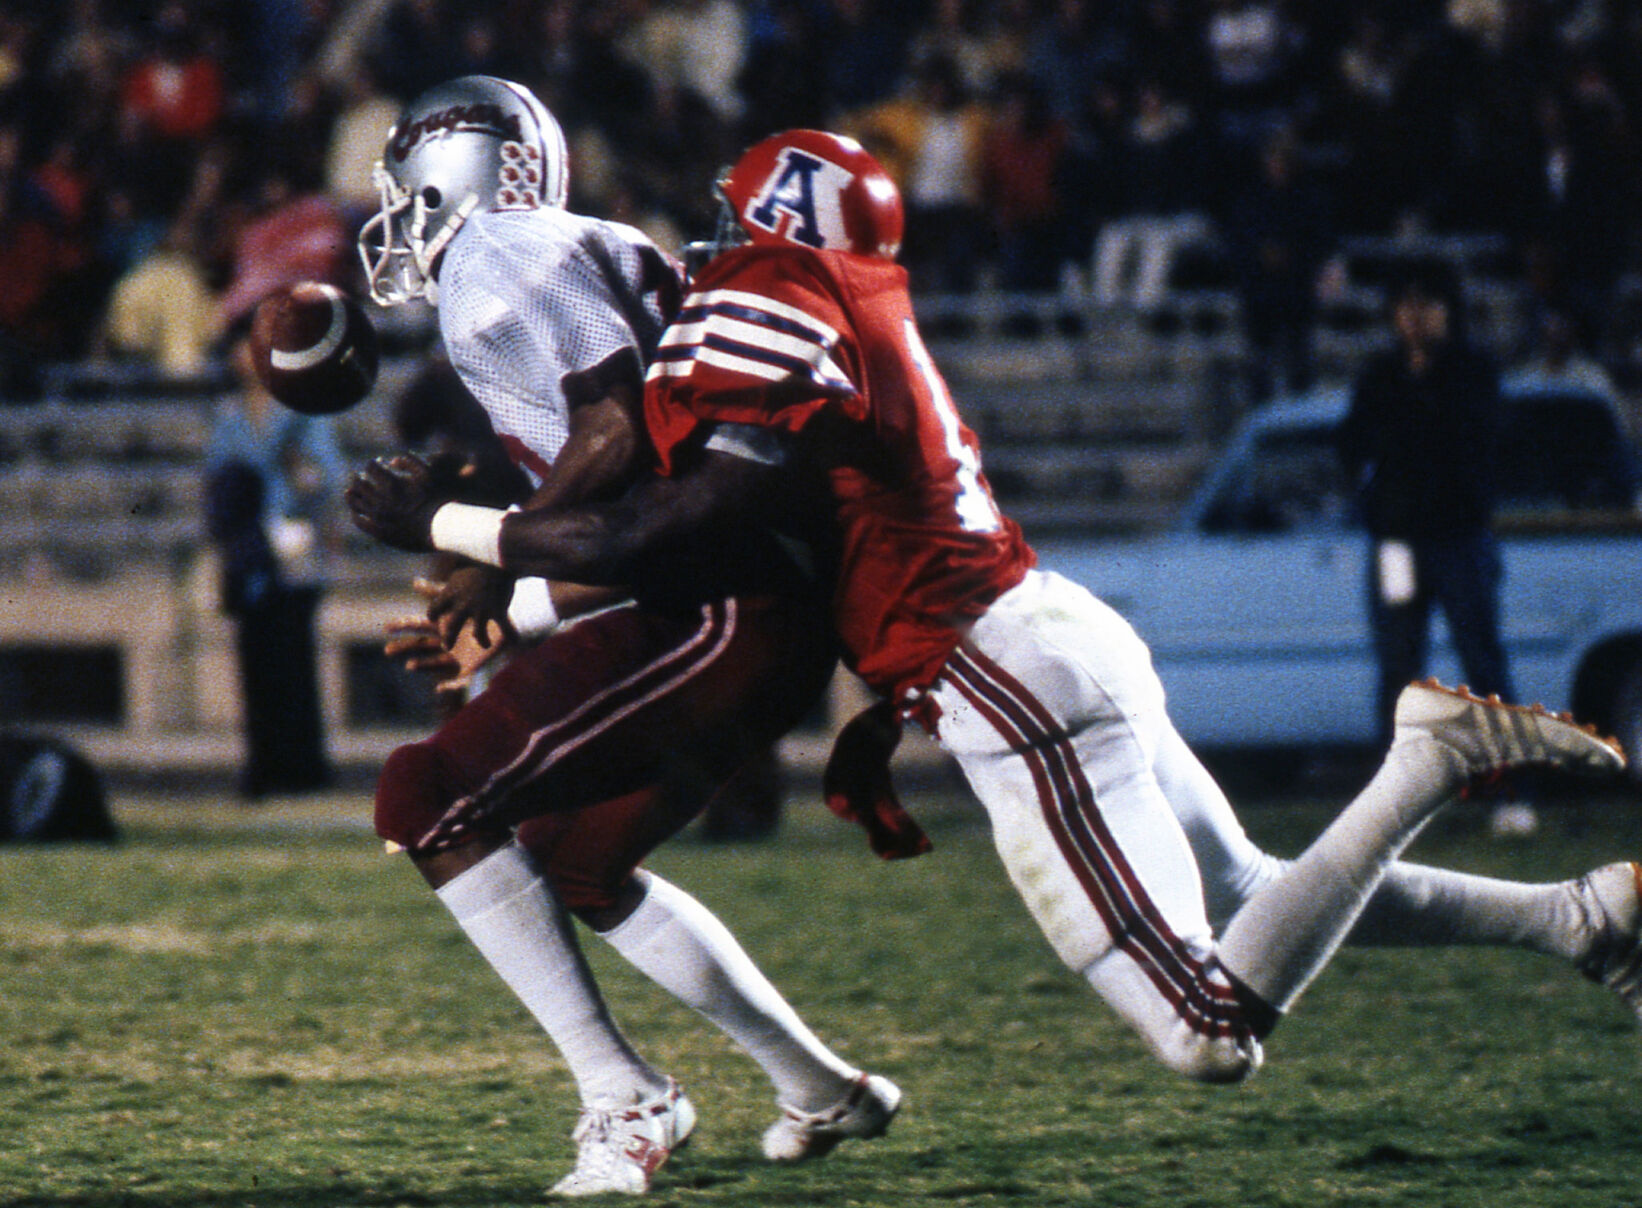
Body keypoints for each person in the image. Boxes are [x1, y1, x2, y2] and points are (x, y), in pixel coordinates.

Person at [350, 130, 1642, 1094]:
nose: (715, 241)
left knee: (1205, 1031)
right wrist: (518, 604)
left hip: (996, 670)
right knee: (1251, 882)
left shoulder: (773, 300)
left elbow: (678, 525)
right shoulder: (859, 298)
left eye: (736, 219)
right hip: (1052, 618)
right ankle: (1572, 918)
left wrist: (449, 527)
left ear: (777, 227)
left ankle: (1421, 758)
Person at [351, 77, 898, 1197]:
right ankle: (822, 1087)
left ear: (462, 169)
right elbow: (640, 497)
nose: (399, 214)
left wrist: (487, 545)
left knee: (425, 796)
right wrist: (512, 597)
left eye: (410, 186)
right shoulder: (590, 241)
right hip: (734, 594)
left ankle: (625, 1094)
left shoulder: (496, 253)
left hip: (718, 602)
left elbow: (618, 442)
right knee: (579, 861)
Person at [1336, 264, 1520, 791]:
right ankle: (1392, 798)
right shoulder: (1380, 374)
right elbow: (1350, 445)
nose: (1416, 317)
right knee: (1397, 670)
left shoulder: (1473, 371)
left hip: (1459, 539)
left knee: (1482, 663)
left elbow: (1487, 444)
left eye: (1428, 304)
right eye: (1406, 305)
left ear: (1448, 311)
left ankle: (1510, 789)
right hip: (1398, 543)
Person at [205, 328, 341, 798]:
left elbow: (327, 476)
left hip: (295, 544)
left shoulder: (302, 413)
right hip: (251, 551)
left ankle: (301, 765)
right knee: (254, 659)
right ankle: (262, 761)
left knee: (293, 657)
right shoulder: (228, 416)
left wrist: (304, 479)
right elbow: (218, 479)